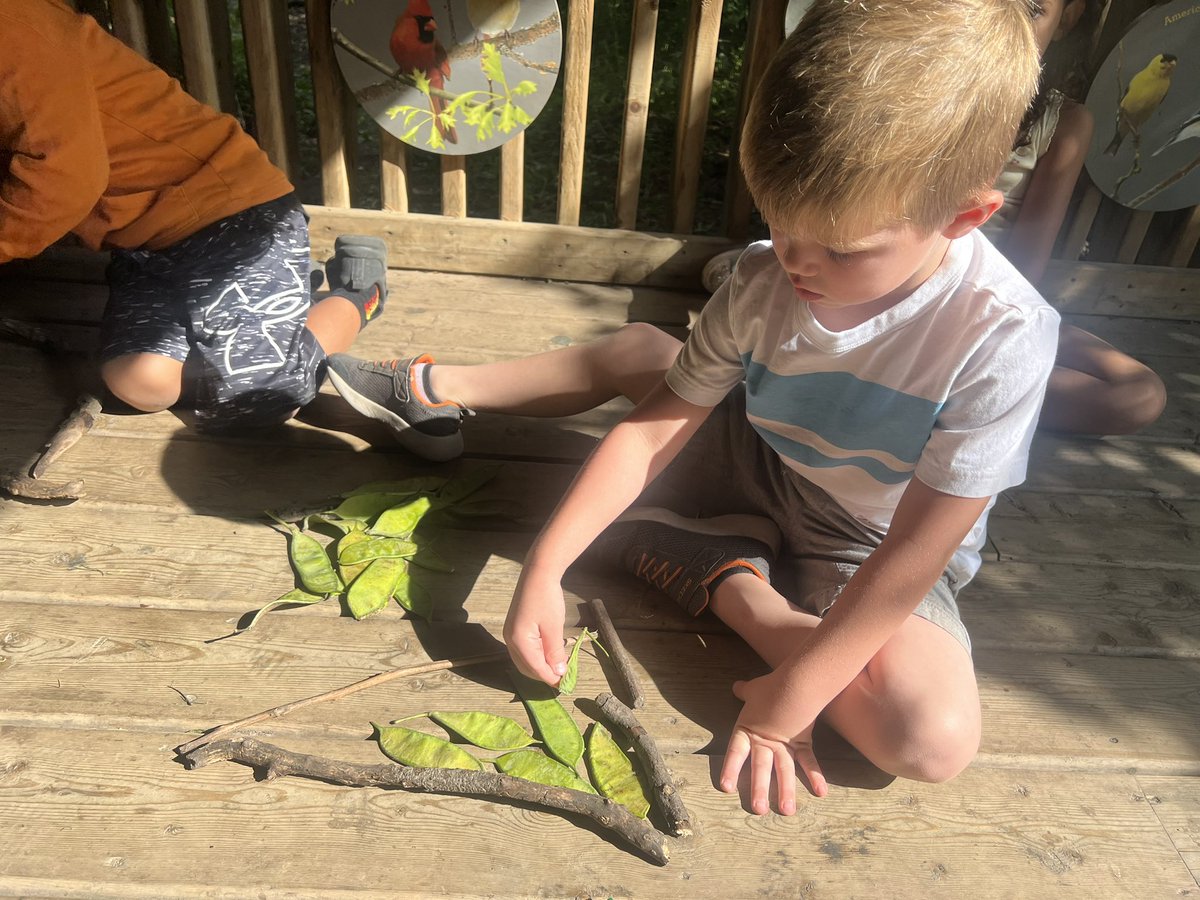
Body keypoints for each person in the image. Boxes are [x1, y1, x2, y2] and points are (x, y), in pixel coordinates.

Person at [330, 0, 1055, 816]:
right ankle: (430, 387)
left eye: (840, 249)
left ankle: (729, 582)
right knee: (643, 353)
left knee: (930, 740)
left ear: (965, 217)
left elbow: (913, 560)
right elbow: (647, 438)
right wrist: (546, 567)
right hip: (756, 451)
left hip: (872, 538)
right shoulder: (763, 279)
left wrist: (790, 705)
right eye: (778, 225)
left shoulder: (1002, 336)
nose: (795, 264)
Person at [702, 0, 1167, 437]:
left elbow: (1029, 263)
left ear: (1069, 17)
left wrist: (990, 357)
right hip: (872, 281)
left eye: (1031, 8)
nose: (1003, 18)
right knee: (773, 293)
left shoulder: (1064, 123)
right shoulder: (900, 103)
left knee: (1138, 395)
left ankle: (957, 410)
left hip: (978, 302)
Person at [0, 0, 387, 431]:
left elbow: (65, 178)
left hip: (234, 216)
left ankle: (358, 293)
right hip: (145, 248)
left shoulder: (15, 26)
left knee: (259, 397)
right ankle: (286, 295)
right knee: (139, 384)